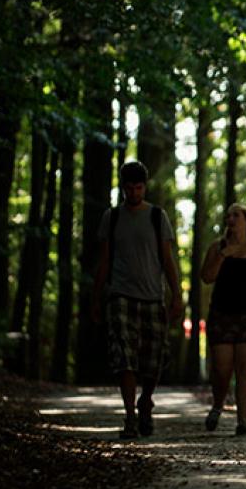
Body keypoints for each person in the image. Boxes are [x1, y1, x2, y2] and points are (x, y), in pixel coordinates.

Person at [91, 161, 182, 439]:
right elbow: (104, 260)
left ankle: (146, 401)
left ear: (145, 187)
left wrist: (177, 294)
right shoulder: (112, 217)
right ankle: (130, 417)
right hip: (120, 297)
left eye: (138, 188)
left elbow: (167, 259)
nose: (134, 193)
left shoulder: (157, 216)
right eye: (129, 188)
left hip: (152, 298)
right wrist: (96, 298)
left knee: (154, 360)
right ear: (122, 188)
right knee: (125, 359)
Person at [200, 204, 246, 436]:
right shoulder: (217, 248)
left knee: (245, 369)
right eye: (228, 215)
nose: (231, 218)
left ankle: (243, 421)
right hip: (221, 315)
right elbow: (206, 277)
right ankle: (217, 405)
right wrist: (224, 255)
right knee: (222, 369)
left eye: (236, 215)